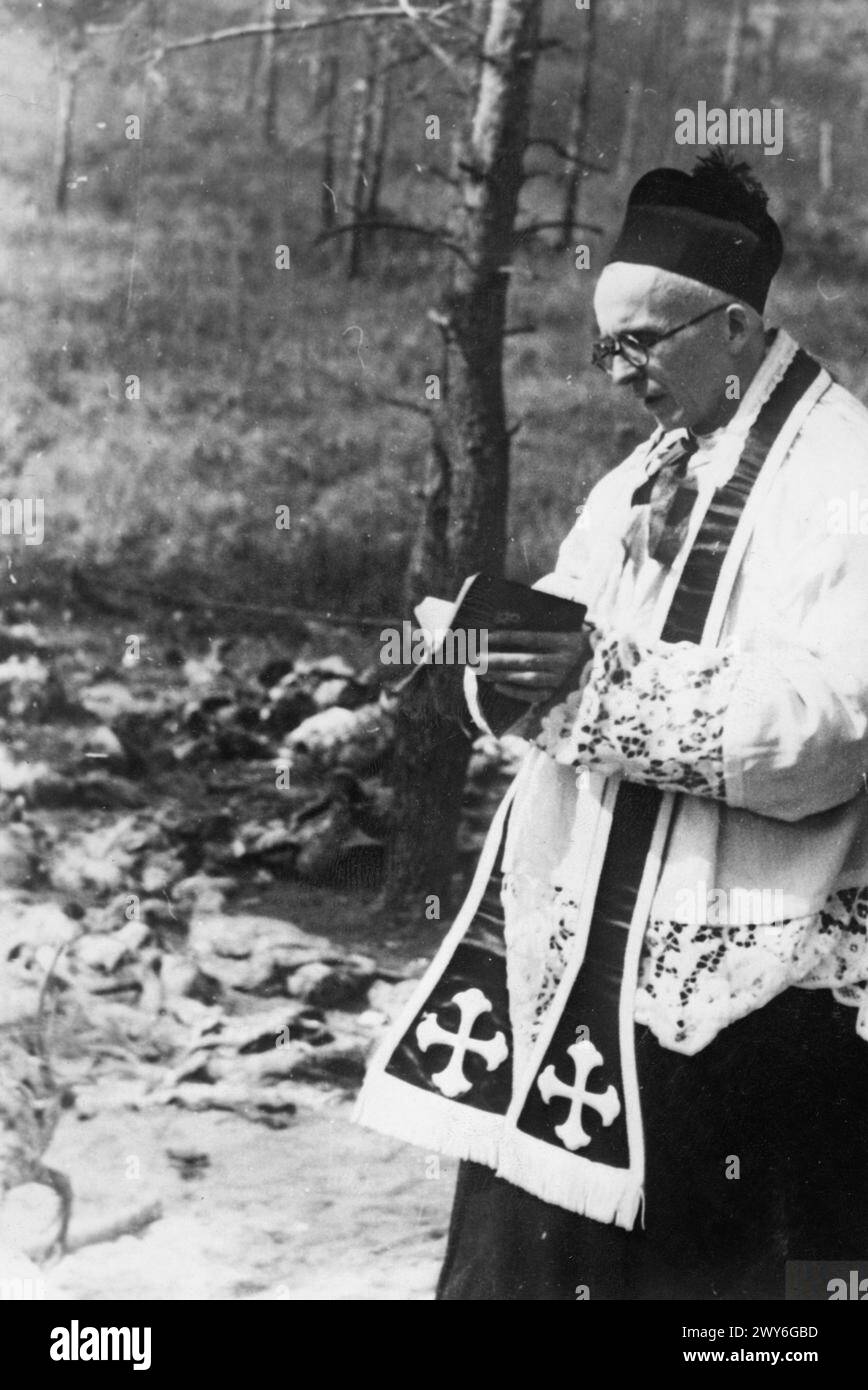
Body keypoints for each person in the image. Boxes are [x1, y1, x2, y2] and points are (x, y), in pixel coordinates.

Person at [356, 150, 868, 1300]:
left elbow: (827, 736)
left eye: (638, 343)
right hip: (586, 952)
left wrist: (596, 682)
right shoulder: (645, 471)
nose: (618, 375)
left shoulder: (846, 475)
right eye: (607, 347)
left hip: (747, 998)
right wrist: (500, 655)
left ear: (733, 327)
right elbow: (571, 630)